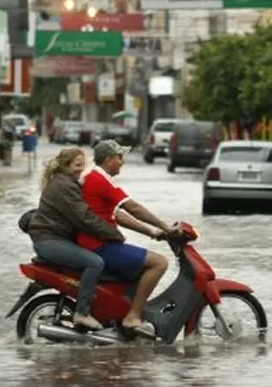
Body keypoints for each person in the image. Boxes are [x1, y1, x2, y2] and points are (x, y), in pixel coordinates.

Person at [78, 140, 179, 338]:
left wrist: (151, 232)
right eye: (119, 157)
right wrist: (166, 227)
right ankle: (132, 317)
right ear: (108, 160)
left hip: (96, 242)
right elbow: (132, 208)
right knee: (159, 262)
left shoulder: (94, 177)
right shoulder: (100, 179)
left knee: (141, 262)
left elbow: (117, 215)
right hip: (99, 245)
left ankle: (122, 313)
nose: (122, 162)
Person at [25, 148, 124, 331]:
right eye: (77, 165)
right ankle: (82, 313)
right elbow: (84, 217)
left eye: (83, 165)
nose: (81, 169)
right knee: (95, 263)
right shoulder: (65, 186)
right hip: (49, 241)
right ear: (66, 166)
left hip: (53, 239)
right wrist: (114, 234)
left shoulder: (66, 183)